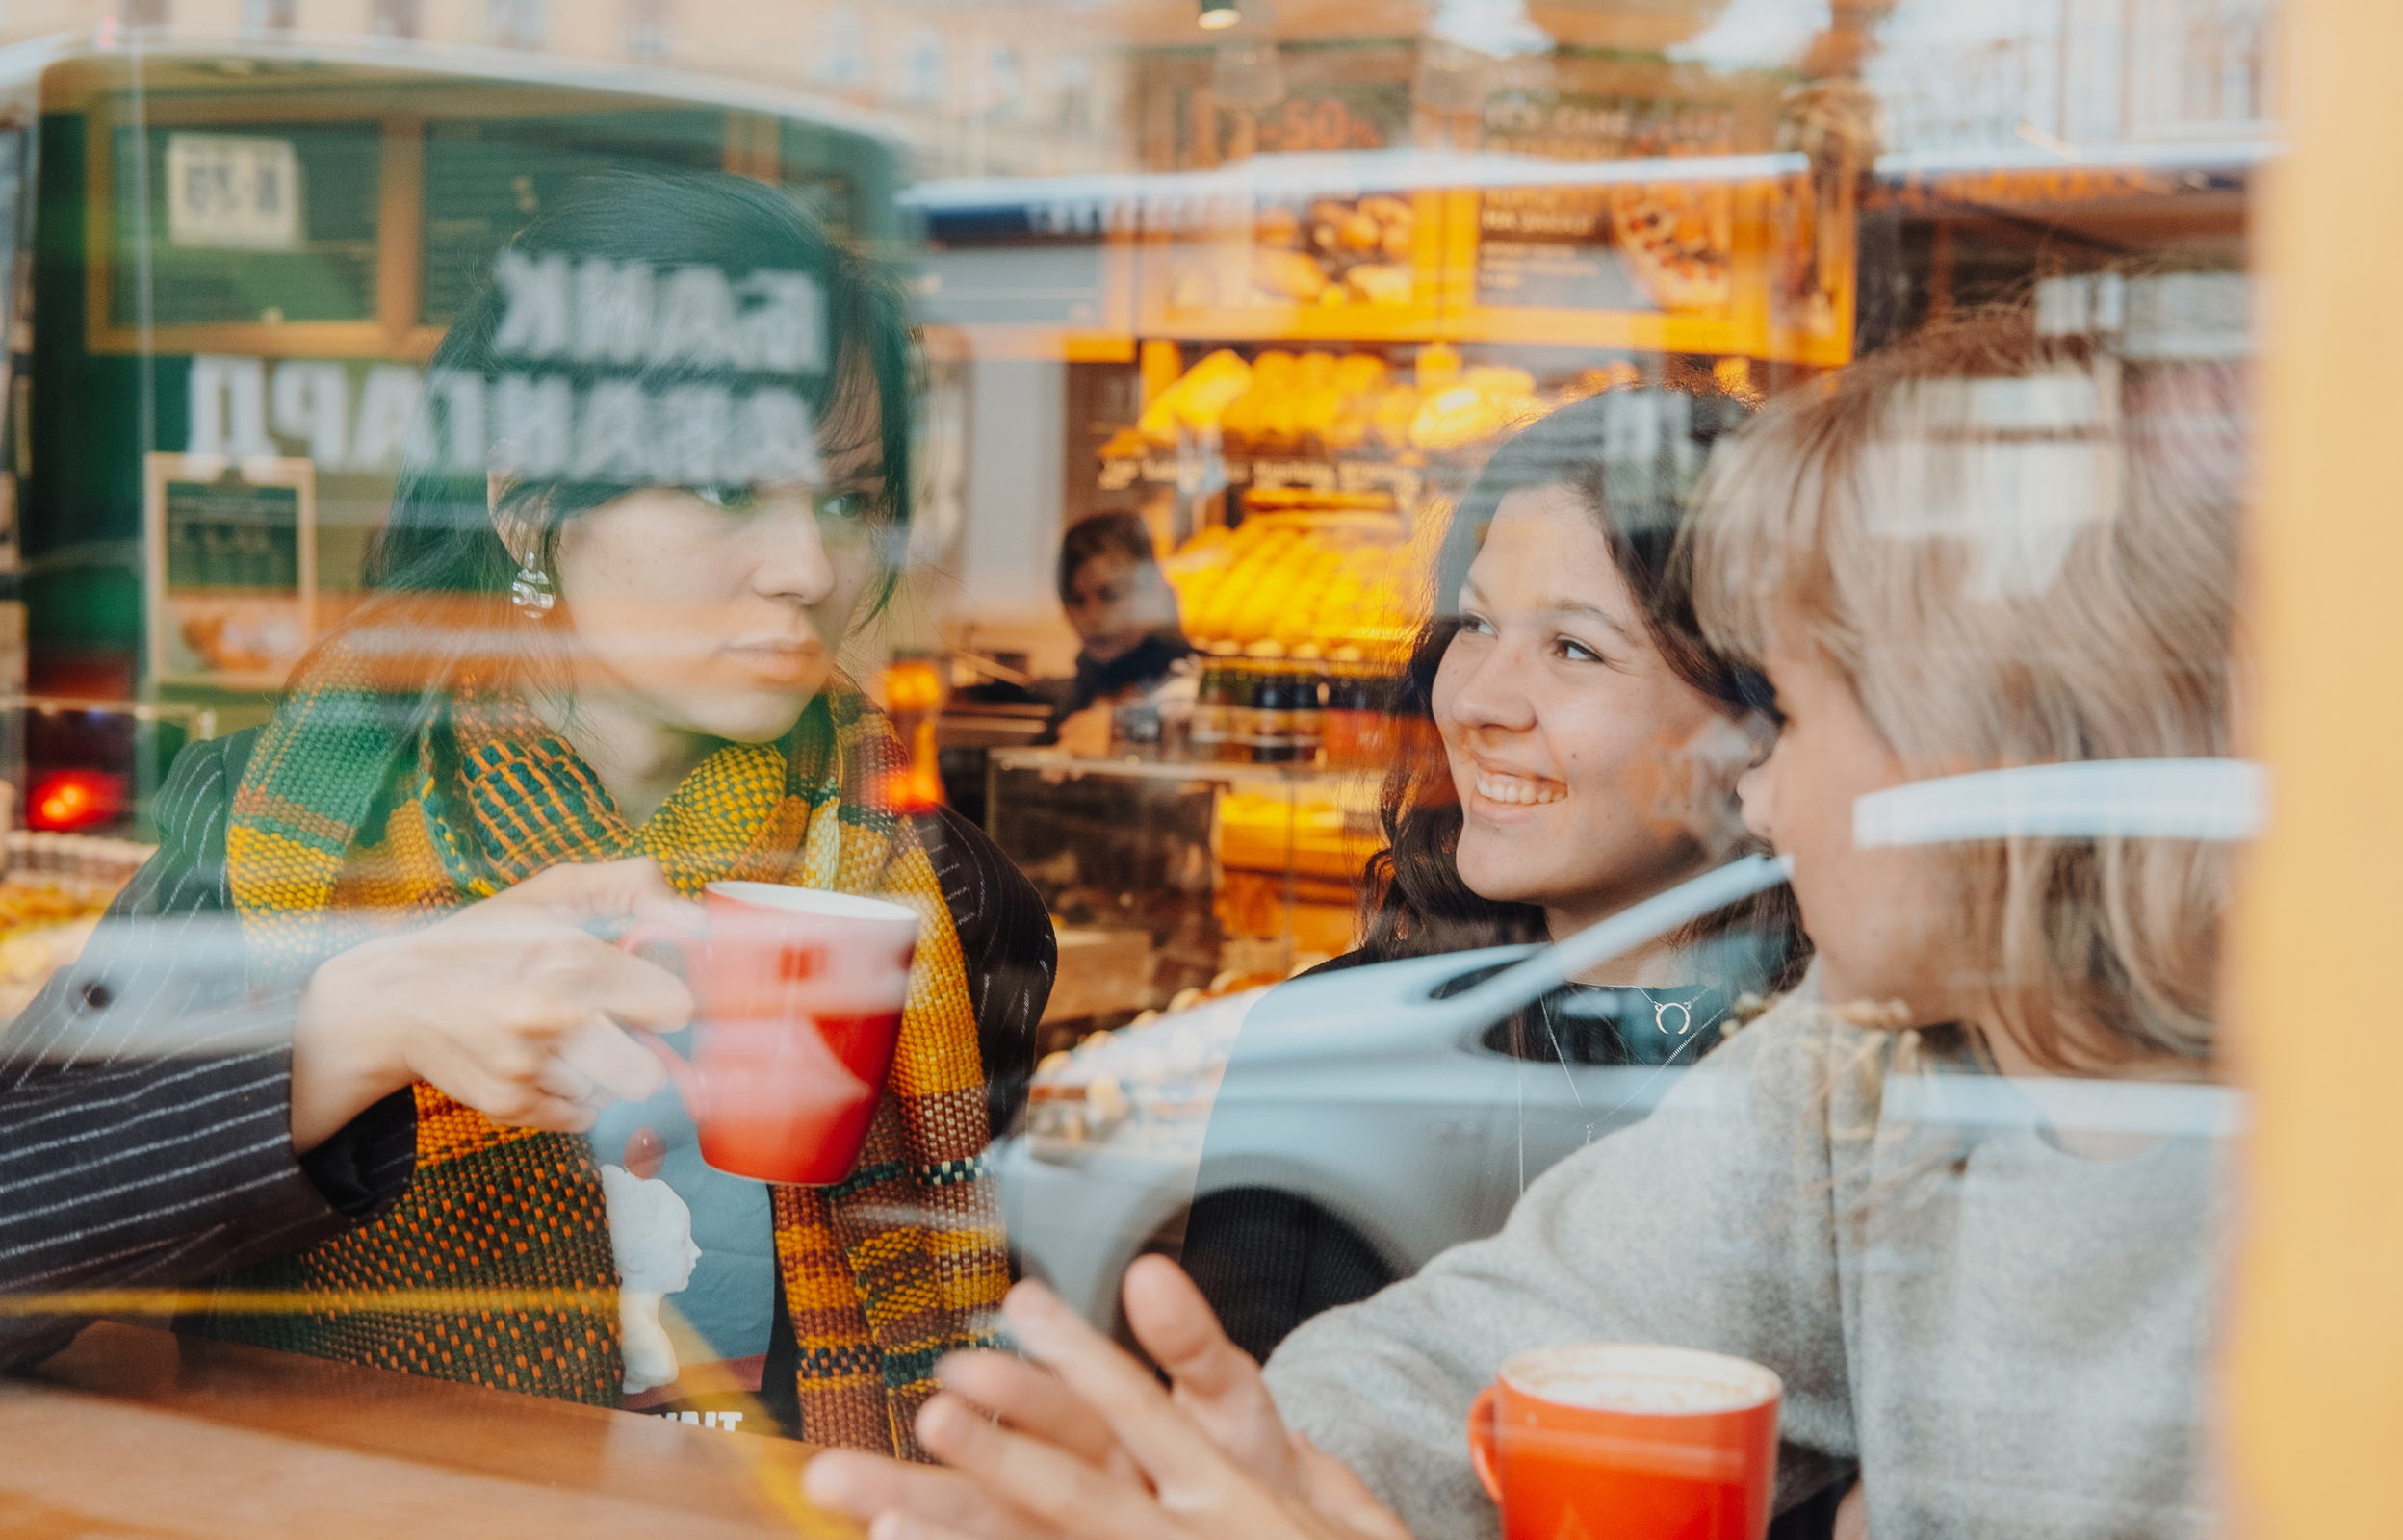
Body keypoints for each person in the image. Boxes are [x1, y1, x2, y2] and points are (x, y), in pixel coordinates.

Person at [802, 305, 2243, 1537]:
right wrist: (1233, 1468)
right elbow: (1506, 1343)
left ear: (1998, 755)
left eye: (1791, 713)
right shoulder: (1859, 1067)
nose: (1768, 788)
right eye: (1476, 626)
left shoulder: (2339, 1195)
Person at [0, 168, 1055, 1459]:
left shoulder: (941, 894)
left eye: (847, 498)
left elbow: (999, 1335)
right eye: (729, 491)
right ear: (528, 508)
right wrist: (347, 1027)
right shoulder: (280, 832)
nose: (812, 567)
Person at [1178, 387, 1808, 1363]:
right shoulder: (1325, 1048)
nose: (1472, 700)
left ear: (1759, 718)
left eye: (1571, 648)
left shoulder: (1842, 1090)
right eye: (1472, 626)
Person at [1044, 510, 1194, 754]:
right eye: (1077, 600)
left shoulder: (1189, 682)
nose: (1092, 617)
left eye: (1110, 595)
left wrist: (1120, 729)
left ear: (1152, 587)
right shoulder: (1087, 683)